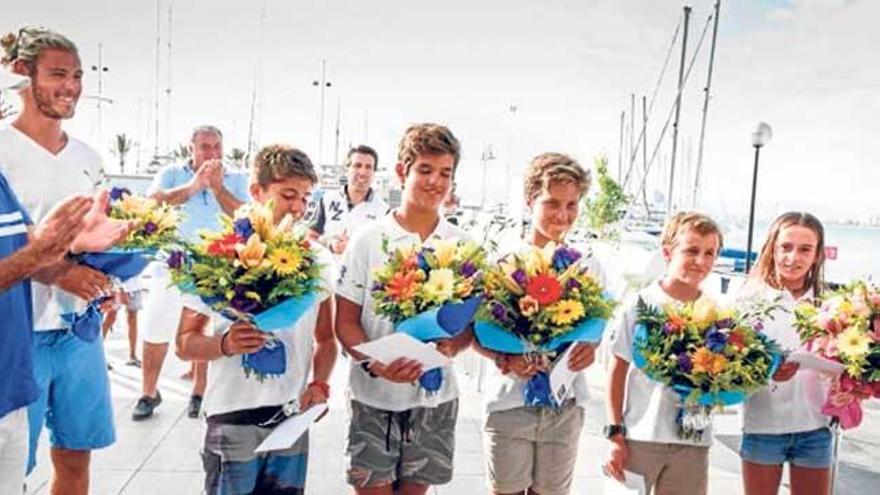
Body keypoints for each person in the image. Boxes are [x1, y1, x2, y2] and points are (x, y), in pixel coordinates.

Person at [0, 26, 121, 494]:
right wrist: (59, 270)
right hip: (17, 334)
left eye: (77, 75)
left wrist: (108, 283)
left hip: (77, 333)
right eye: (57, 74)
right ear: (20, 74)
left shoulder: (88, 158)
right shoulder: (3, 152)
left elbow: (93, 237)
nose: (70, 86)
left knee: (74, 455)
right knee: (14, 468)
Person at [176, 144, 337, 494]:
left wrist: (320, 385)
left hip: (290, 419)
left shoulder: (318, 260)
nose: (297, 207)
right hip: (232, 418)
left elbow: (326, 340)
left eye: (305, 198)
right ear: (256, 192)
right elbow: (184, 343)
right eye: (288, 194)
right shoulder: (217, 253)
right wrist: (225, 343)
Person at [335, 123, 473, 494]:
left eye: (445, 173)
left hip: (434, 399)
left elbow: (467, 327)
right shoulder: (369, 239)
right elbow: (345, 322)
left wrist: (452, 347)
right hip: (372, 396)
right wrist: (372, 363)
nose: (436, 182)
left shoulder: (462, 244)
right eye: (425, 170)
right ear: (401, 172)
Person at [472, 153, 601, 495]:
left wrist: (590, 350)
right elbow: (474, 331)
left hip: (564, 404)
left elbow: (594, 330)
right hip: (509, 403)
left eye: (572, 205)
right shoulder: (501, 260)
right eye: (552, 203)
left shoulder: (587, 266)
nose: (563, 215)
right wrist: (502, 358)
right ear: (530, 201)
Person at [603, 212, 724, 495]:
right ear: (668, 253)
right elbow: (616, 369)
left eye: (710, 253)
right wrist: (614, 432)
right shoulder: (641, 304)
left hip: (693, 439)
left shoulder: (716, 312)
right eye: (692, 250)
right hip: (641, 433)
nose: (701, 261)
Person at [135, 125, 249, 421]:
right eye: (205, 147)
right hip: (170, 264)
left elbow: (246, 216)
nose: (212, 153)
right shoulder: (171, 173)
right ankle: (148, 392)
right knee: (156, 327)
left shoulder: (235, 178)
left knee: (204, 329)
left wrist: (218, 189)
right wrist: (193, 187)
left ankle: (199, 391)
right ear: (191, 149)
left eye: (216, 147)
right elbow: (151, 204)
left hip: (215, 268)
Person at [737, 212, 833, 495]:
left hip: (815, 428)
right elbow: (732, 369)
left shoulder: (830, 307)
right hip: (762, 427)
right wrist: (766, 371)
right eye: (786, 247)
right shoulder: (746, 303)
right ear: (772, 249)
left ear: (817, 255)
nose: (794, 257)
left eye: (805, 249)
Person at [309, 144, 388, 255]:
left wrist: (355, 247)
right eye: (357, 165)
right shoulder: (327, 201)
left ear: (374, 172)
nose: (362, 172)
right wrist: (329, 244)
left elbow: (386, 250)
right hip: (329, 271)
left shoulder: (383, 211)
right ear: (347, 169)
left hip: (362, 272)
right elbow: (310, 238)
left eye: (368, 167)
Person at [101, 276, 144, 368]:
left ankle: (133, 356)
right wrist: (121, 289)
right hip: (116, 286)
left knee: (132, 319)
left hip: (135, 286)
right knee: (110, 317)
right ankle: (98, 356)